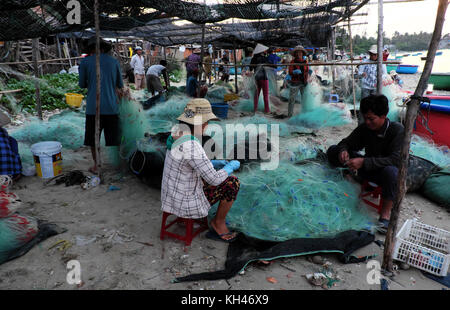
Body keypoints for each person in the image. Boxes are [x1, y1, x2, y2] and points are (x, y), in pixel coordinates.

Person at [161, 98, 241, 242]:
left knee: (211, 176)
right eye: (206, 123)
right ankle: (218, 224)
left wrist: (215, 162)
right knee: (232, 183)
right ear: (200, 123)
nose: (207, 126)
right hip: (184, 202)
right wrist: (229, 167)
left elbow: (188, 162)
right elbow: (214, 179)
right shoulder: (192, 145)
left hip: (170, 196)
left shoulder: (176, 135)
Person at [326, 94, 404, 234]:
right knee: (333, 151)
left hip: (383, 172)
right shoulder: (365, 128)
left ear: (384, 115)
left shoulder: (397, 130)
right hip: (365, 168)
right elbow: (346, 142)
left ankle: (385, 216)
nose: (367, 122)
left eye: (371, 119)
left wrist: (364, 162)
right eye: (365, 118)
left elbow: (396, 160)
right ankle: (349, 177)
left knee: (392, 172)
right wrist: (344, 151)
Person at [79, 37, 124, 174]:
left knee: (94, 140)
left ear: (91, 49)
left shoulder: (85, 62)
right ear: (104, 48)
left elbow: (82, 84)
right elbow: (120, 85)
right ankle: (119, 165)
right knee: (115, 139)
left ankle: (97, 165)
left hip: (94, 108)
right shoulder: (114, 62)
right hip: (111, 107)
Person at [287, 45, 309, 117]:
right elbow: (290, 72)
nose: (299, 54)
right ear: (295, 54)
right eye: (297, 53)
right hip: (295, 82)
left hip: (303, 82)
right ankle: (290, 115)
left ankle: (304, 113)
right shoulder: (292, 62)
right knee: (292, 99)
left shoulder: (305, 62)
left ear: (302, 54)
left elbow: (307, 71)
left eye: (300, 53)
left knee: (304, 99)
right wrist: (294, 72)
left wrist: (308, 75)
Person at [0, 112, 22, 181]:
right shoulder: (4, 131)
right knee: (12, 142)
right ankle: (17, 171)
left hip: (3, 176)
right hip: (12, 175)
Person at [250, 43, 271, 114]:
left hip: (256, 79)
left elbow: (250, 68)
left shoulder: (253, 59)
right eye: (264, 50)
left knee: (256, 95)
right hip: (264, 78)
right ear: (261, 51)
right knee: (265, 95)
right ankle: (267, 110)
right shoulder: (264, 58)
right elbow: (270, 66)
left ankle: (255, 109)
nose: (265, 51)